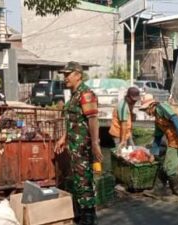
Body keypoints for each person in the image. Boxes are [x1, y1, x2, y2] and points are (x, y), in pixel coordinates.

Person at [55, 61, 103, 225]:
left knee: (84, 180)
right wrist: (64, 138)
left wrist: (95, 143)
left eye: (68, 74)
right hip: (75, 146)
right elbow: (75, 121)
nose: (65, 78)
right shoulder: (75, 95)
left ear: (78, 75)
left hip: (83, 146)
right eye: (64, 75)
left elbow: (93, 119)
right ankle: (83, 214)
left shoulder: (85, 94)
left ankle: (88, 217)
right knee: (78, 180)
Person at [139, 94, 178, 201]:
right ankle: (157, 190)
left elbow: (175, 118)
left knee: (170, 169)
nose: (146, 112)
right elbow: (158, 137)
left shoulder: (162, 107)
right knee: (164, 166)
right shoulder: (157, 118)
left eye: (145, 109)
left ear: (151, 106)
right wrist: (153, 154)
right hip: (172, 142)